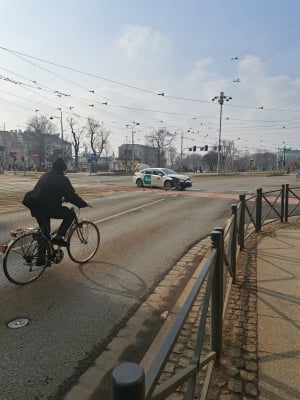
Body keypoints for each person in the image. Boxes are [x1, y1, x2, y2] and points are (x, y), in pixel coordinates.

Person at [22, 158, 89, 262]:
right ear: (63, 169)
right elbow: (71, 196)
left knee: (45, 233)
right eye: (65, 170)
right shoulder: (63, 179)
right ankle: (59, 237)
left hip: (35, 206)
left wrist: (61, 198)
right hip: (47, 208)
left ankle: (41, 259)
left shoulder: (45, 175)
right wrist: (83, 204)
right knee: (70, 214)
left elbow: (47, 192)